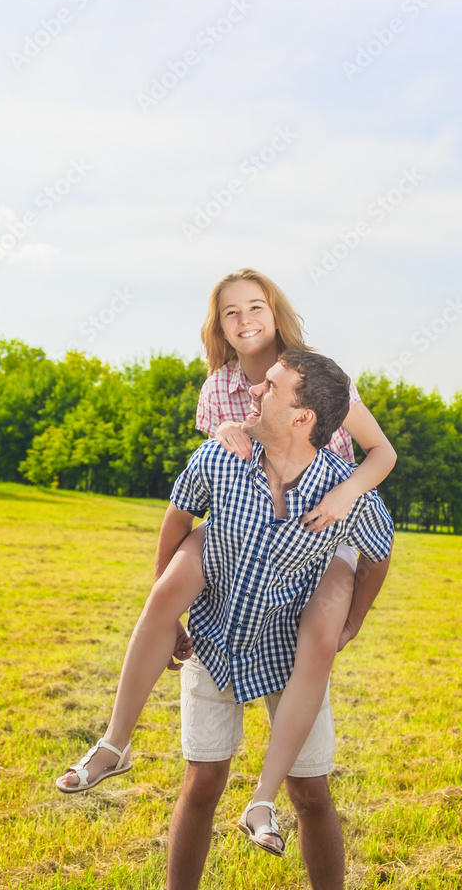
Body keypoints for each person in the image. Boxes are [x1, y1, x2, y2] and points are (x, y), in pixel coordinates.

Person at [56, 269, 396, 857]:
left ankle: (263, 797)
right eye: (230, 313)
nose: (245, 321)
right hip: (243, 516)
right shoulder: (218, 387)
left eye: (255, 307)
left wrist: (344, 497)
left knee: (318, 636)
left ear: (275, 311)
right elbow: (212, 472)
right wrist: (232, 430)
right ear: (219, 326)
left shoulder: (312, 373)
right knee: (171, 586)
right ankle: (115, 742)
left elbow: (381, 453)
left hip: (325, 519)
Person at [163, 349, 393, 889]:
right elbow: (180, 514)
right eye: (230, 314)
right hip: (221, 622)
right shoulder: (224, 411)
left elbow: (381, 479)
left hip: (295, 617)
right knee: (202, 781)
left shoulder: (324, 405)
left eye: (270, 386)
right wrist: (171, 606)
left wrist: (351, 621)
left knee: (310, 789)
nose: (256, 392)